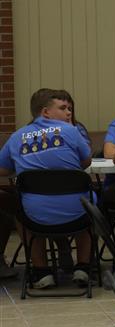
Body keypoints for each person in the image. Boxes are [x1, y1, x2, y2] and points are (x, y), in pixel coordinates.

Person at [0, 89, 93, 288]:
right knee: (90, 202)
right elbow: (86, 161)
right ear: (45, 112)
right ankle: (83, 268)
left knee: (21, 212)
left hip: (35, 215)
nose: (69, 112)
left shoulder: (16, 137)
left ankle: (42, 272)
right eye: (63, 108)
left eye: (69, 108)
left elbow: (2, 169)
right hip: (77, 213)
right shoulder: (71, 131)